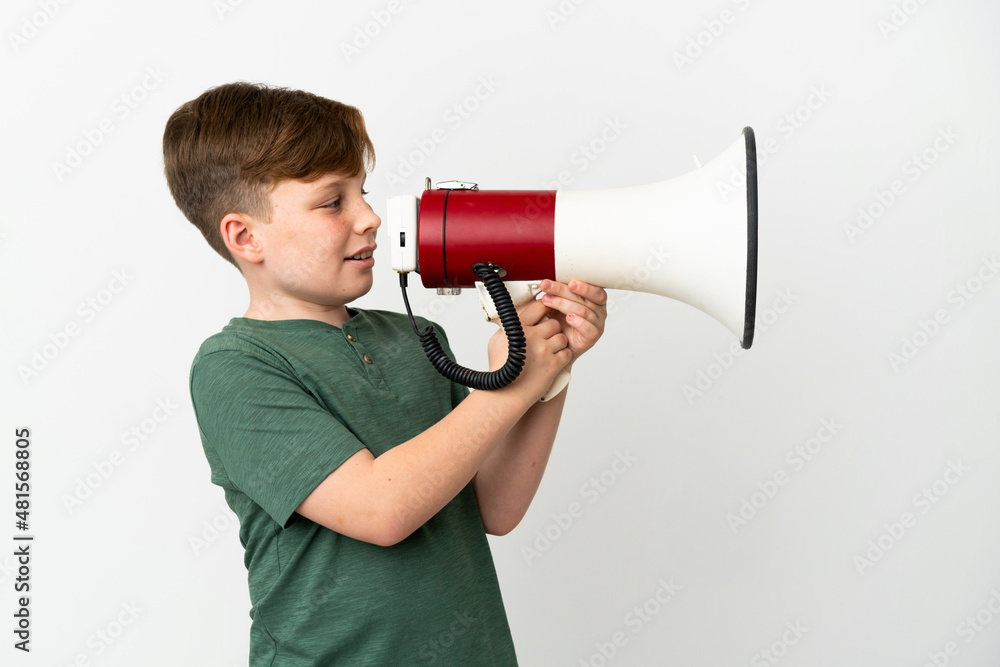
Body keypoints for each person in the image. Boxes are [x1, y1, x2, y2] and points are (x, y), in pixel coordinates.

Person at [162, 81, 608, 666]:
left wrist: (548, 369)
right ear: (246, 236)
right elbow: (382, 509)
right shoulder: (235, 367)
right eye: (332, 202)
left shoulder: (411, 336)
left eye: (363, 193)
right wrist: (512, 386)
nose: (371, 217)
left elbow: (495, 508)